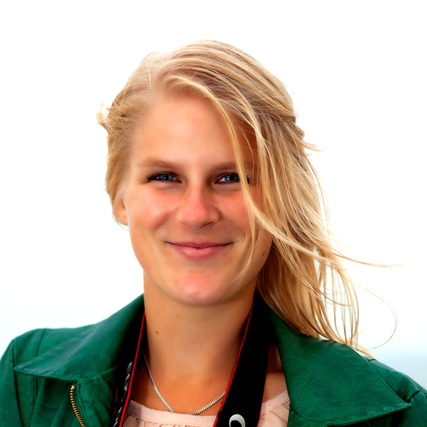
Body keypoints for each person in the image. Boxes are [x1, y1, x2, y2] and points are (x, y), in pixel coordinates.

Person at [0, 40, 426, 427]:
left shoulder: (397, 414)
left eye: (230, 177)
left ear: (278, 200)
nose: (196, 213)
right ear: (119, 197)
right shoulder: (27, 383)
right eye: (165, 176)